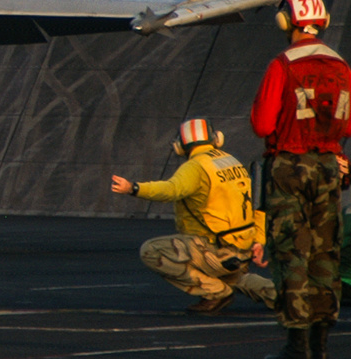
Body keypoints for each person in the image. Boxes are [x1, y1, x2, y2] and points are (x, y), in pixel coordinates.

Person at [250, 0, 351, 359]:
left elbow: (262, 124)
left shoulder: (282, 63)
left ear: (286, 21)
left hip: (290, 165)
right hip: (330, 165)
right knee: (326, 254)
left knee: (292, 253)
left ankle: (297, 347)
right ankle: (321, 347)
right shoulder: (341, 66)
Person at [110, 118, 274, 315]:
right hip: (242, 250)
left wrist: (133, 188)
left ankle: (216, 292)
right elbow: (258, 205)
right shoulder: (231, 161)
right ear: (216, 139)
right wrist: (259, 240)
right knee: (234, 279)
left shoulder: (196, 166)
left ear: (180, 146)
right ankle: (288, 297)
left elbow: (172, 190)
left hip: (215, 249)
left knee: (151, 251)